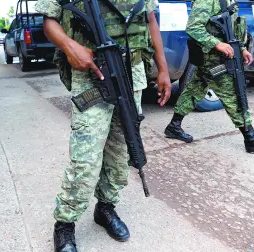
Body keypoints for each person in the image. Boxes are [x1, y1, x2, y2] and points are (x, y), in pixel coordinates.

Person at [35, 0, 171, 251]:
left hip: (132, 72)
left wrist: (163, 69)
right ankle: (65, 224)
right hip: (92, 71)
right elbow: (49, 20)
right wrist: (70, 46)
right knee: (85, 158)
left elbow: (150, 18)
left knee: (121, 150)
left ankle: (105, 208)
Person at [164, 0, 254, 153]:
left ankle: (174, 126)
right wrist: (217, 44)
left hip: (220, 57)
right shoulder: (207, 1)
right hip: (212, 59)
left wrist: (241, 48)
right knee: (234, 92)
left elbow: (231, 28)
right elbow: (193, 27)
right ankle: (251, 137)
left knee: (195, 89)